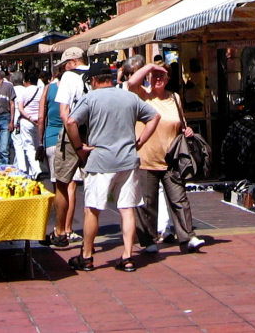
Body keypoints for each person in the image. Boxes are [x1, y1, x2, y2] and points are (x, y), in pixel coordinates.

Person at [64, 63, 159, 273]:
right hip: (127, 159)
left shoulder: (91, 98)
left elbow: (70, 122)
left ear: (94, 80)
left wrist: (79, 147)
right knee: (127, 209)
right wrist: (140, 142)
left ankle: (87, 256)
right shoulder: (129, 97)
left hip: (100, 160)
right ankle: (127, 257)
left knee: (92, 209)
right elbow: (154, 117)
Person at [126, 63, 204, 253]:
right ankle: (149, 240)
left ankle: (187, 236)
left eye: (162, 75)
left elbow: (181, 123)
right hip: (146, 158)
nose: (158, 78)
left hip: (172, 159)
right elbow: (131, 82)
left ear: (169, 79)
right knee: (147, 202)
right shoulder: (142, 95)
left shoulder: (175, 98)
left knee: (179, 199)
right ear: (148, 77)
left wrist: (187, 130)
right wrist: (151, 66)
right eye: (155, 75)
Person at [49, 47, 88, 249]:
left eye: (64, 65)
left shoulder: (69, 78)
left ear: (72, 62)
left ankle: (60, 231)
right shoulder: (96, 74)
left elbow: (64, 113)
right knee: (93, 187)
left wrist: (77, 144)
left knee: (62, 183)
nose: (63, 69)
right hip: (96, 134)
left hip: (73, 135)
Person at [12, 71, 44, 177]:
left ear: (27, 81)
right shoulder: (41, 91)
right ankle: (33, 171)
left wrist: (29, 117)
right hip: (39, 121)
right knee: (36, 145)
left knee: (28, 146)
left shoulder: (24, 92)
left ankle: (36, 169)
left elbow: (20, 108)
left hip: (26, 121)